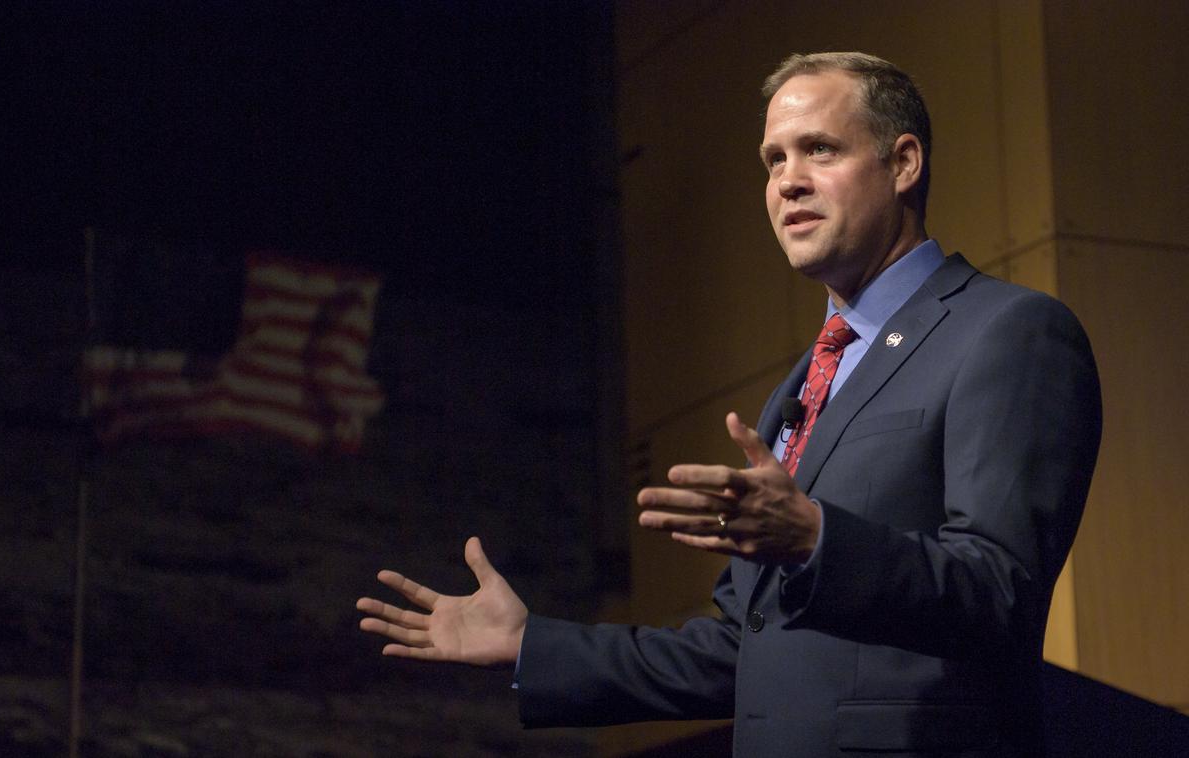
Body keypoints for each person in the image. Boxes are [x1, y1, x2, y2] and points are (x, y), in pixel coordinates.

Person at [357, 52, 1102, 757]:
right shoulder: (806, 380)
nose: (788, 181)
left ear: (903, 163)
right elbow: (749, 643)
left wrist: (816, 541)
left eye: (819, 150)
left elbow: (1000, 592)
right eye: (774, 160)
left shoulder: (1006, 332)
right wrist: (535, 646)